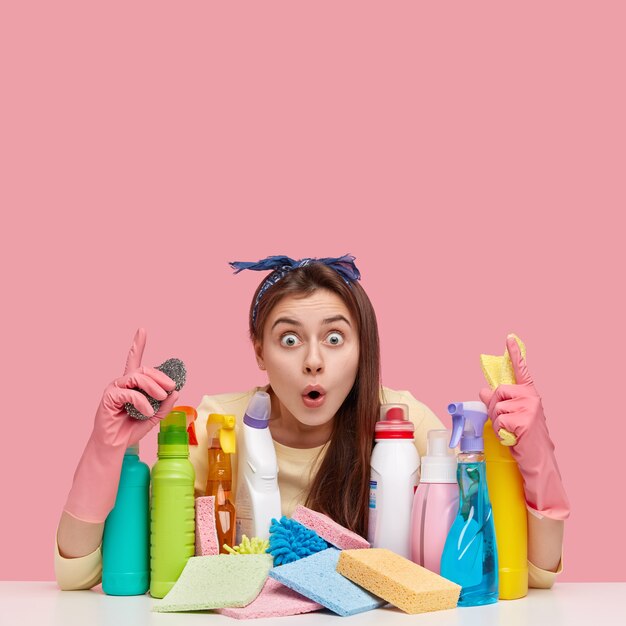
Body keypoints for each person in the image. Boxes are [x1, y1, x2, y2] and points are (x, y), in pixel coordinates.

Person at [55, 254, 569, 590]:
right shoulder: (215, 425)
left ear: (362, 347)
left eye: (336, 337)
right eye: (289, 339)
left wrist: (536, 455)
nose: (314, 362)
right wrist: (107, 450)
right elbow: (81, 573)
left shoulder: (402, 422)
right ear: (258, 351)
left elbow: (529, 575)